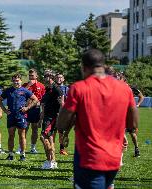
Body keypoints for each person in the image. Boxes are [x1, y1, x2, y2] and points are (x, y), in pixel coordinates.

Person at [57, 49, 138, 189]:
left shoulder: (79, 88)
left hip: (89, 157)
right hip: (114, 156)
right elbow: (133, 123)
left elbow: (62, 124)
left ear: (84, 67)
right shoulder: (124, 88)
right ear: (103, 65)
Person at [0, 73, 38, 161]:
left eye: (17, 80)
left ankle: (23, 154)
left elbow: (35, 99)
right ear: (12, 81)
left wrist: (27, 108)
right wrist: (5, 110)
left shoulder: (25, 90)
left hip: (21, 116)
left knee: (22, 135)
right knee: (11, 135)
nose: (16, 82)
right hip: (11, 116)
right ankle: (10, 154)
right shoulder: (8, 90)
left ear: (20, 81)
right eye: (14, 80)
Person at [39, 70, 64, 169]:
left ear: (50, 77)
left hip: (52, 117)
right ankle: (52, 161)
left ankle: (50, 160)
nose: (44, 78)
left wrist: (59, 117)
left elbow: (62, 104)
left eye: (45, 76)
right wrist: (41, 118)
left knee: (42, 137)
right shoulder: (47, 89)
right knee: (50, 138)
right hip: (46, 117)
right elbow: (44, 105)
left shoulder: (57, 89)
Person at [18, 69, 45, 154]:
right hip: (25, 109)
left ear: (36, 76)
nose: (31, 77)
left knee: (35, 129)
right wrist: (28, 86)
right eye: (29, 76)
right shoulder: (25, 85)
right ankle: (21, 147)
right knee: (24, 128)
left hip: (36, 110)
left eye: (32, 76)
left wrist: (42, 111)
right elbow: (20, 94)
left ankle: (33, 147)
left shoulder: (41, 86)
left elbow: (43, 100)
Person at [117, 72, 143, 157]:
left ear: (123, 79)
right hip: (120, 112)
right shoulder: (116, 88)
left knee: (132, 133)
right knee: (118, 130)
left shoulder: (131, 88)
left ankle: (136, 149)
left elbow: (141, 96)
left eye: (119, 78)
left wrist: (138, 104)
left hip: (130, 113)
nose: (117, 80)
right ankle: (119, 150)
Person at [55, 73, 69, 155]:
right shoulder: (52, 88)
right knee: (52, 132)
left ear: (63, 79)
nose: (59, 79)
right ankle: (51, 148)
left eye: (60, 78)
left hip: (63, 114)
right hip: (53, 113)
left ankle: (62, 149)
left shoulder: (67, 89)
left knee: (62, 132)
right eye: (57, 78)